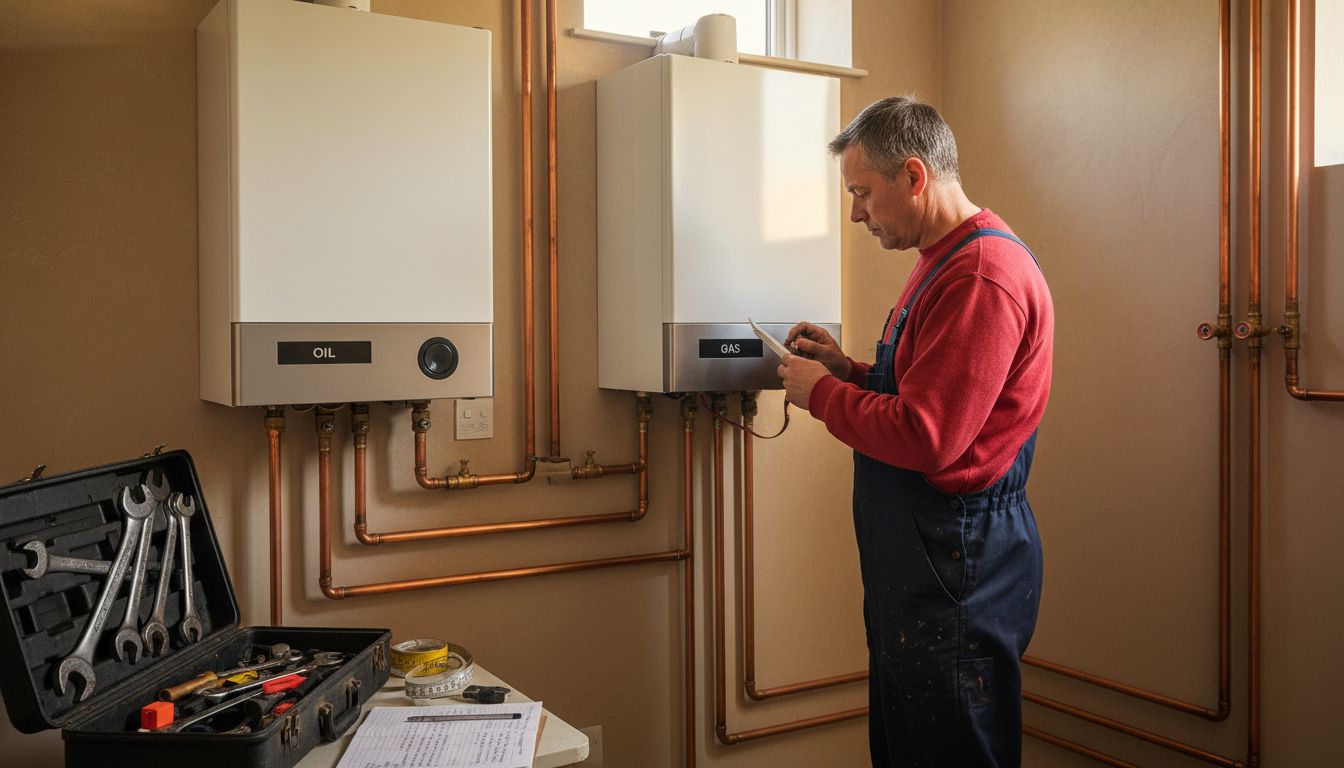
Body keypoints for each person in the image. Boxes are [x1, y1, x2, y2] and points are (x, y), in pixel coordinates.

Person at [778, 96, 1054, 767]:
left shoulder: (981, 276)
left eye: (861, 193)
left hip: (958, 558)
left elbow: (931, 436)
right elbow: (938, 393)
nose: (855, 214)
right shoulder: (944, 259)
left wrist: (824, 397)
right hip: (927, 561)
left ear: (913, 176)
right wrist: (849, 370)